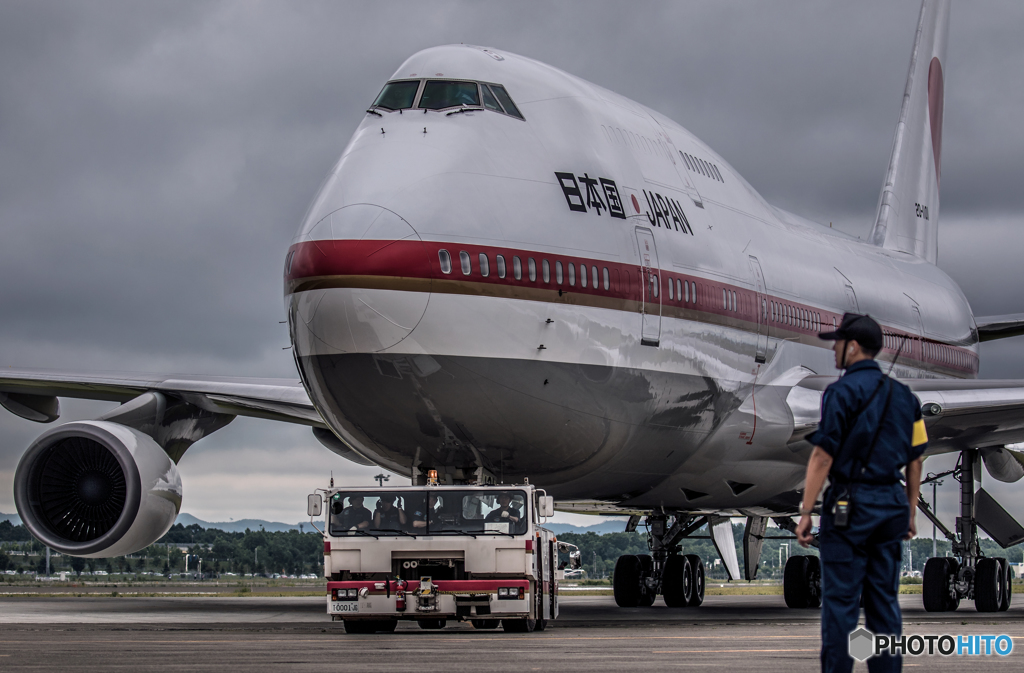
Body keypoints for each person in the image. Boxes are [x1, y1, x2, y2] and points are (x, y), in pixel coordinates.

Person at [795, 313, 927, 673]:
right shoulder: (905, 397)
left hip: (849, 507)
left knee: (840, 606)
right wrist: (910, 512)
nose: (834, 349)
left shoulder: (839, 393)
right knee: (885, 605)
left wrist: (806, 511)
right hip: (891, 506)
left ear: (852, 347)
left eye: (838, 343)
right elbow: (916, 459)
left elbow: (823, 455)